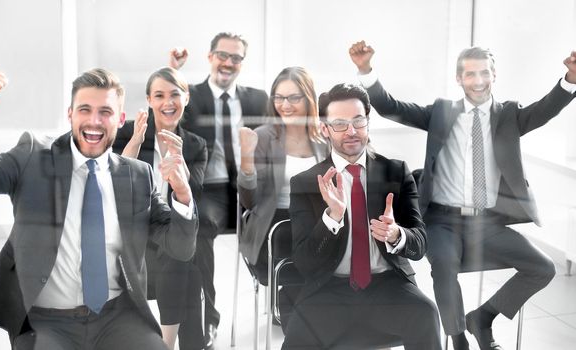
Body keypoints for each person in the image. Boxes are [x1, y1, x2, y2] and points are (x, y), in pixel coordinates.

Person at [349, 41, 576, 350]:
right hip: (442, 220)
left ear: (494, 75)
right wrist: (366, 71)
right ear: (459, 79)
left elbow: (546, 108)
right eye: (470, 74)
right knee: (444, 266)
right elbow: (392, 107)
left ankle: (483, 318)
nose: (478, 80)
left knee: (543, 268)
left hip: (487, 223)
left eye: (484, 73)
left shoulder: (509, 115)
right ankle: (458, 339)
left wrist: (571, 79)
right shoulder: (442, 112)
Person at [0, 67, 198, 350]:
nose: (94, 121)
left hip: (117, 317)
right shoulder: (32, 157)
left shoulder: (138, 175)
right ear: (70, 115)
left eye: (105, 112)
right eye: (85, 110)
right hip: (47, 321)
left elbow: (180, 248)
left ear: (120, 119)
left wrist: (183, 194)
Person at [282, 83, 441, 350]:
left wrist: (397, 234)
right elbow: (305, 263)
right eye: (340, 124)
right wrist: (332, 217)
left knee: (426, 314)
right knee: (297, 339)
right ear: (324, 129)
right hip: (328, 290)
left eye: (358, 121)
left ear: (368, 123)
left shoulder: (396, 172)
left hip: (387, 286)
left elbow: (421, 242)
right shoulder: (305, 183)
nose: (352, 131)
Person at [169, 32, 268, 349]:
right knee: (198, 232)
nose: (228, 63)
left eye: (236, 58)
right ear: (210, 57)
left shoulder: (257, 99)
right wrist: (174, 71)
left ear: (242, 63)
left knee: (289, 218)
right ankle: (208, 320)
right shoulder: (190, 96)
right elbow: (167, 112)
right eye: (223, 55)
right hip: (210, 191)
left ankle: (286, 303)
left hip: (250, 186)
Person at [112, 67, 207, 349]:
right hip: (130, 232)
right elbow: (111, 184)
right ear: (149, 100)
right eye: (159, 95)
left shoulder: (195, 144)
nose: (168, 102)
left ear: (186, 98)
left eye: (175, 94)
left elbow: (193, 195)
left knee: (182, 260)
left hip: (168, 233)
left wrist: (179, 163)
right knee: (187, 268)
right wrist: (134, 145)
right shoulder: (127, 132)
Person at [237, 66, 328, 330]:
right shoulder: (264, 137)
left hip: (316, 223)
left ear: (309, 98)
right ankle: (295, 319)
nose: (284, 105)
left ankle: (313, 316)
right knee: (293, 241)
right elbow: (249, 201)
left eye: (293, 98)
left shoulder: (324, 138)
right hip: (275, 225)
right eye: (279, 97)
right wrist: (246, 160)